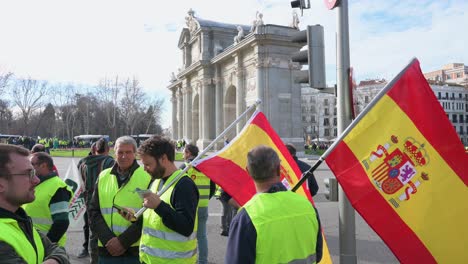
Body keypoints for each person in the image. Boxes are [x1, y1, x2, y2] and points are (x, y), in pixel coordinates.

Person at [226, 145, 322, 264]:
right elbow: (318, 255)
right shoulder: (308, 207)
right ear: (278, 170)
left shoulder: (246, 218)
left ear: (248, 171)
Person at [0, 144, 70, 263]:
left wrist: (55, 259)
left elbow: (56, 248)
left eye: (34, 172)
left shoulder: (21, 221)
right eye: (28, 174)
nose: (36, 180)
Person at [88, 136, 151, 264]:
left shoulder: (147, 177)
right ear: (114, 153)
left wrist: (123, 242)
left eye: (128, 152)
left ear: (135, 154)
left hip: (134, 250)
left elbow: (149, 216)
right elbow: (93, 210)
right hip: (107, 248)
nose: (124, 156)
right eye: (120, 152)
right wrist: (108, 240)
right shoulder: (103, 176)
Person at [137, 136, 199, 263]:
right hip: (150, 259)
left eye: (148, 164)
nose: (145, 169)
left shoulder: (184, 185)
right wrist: (134, 217)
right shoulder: (156, 180)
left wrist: (159, 206)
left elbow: (186, 227)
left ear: (163, 159)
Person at [22, 152, 73, 247]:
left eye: (32, 164)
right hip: (31, 243)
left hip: (47, 247)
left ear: (43, 165)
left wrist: (46, 245)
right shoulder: (37, 184)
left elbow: (61, 222)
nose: (29, 168)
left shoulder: (58, 188)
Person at [77, 139, 115, 262]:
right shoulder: (109, 162)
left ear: (94, 149)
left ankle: (91, 255)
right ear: (108, 149)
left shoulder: (83, 163)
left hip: (87, 198)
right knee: (103, 228)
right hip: (103, 199)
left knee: (90, 228)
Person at [180, 144, 216, 264]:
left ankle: (187, 260)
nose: (182, 155)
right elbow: (212, 188)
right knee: (201, 236)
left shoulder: (185, 167)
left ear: (189, 153)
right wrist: (205, 198)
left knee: (185, 236)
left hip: (188, 207)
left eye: (184, 152)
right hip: (203, 206)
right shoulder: (206, 167)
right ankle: (203, 261)